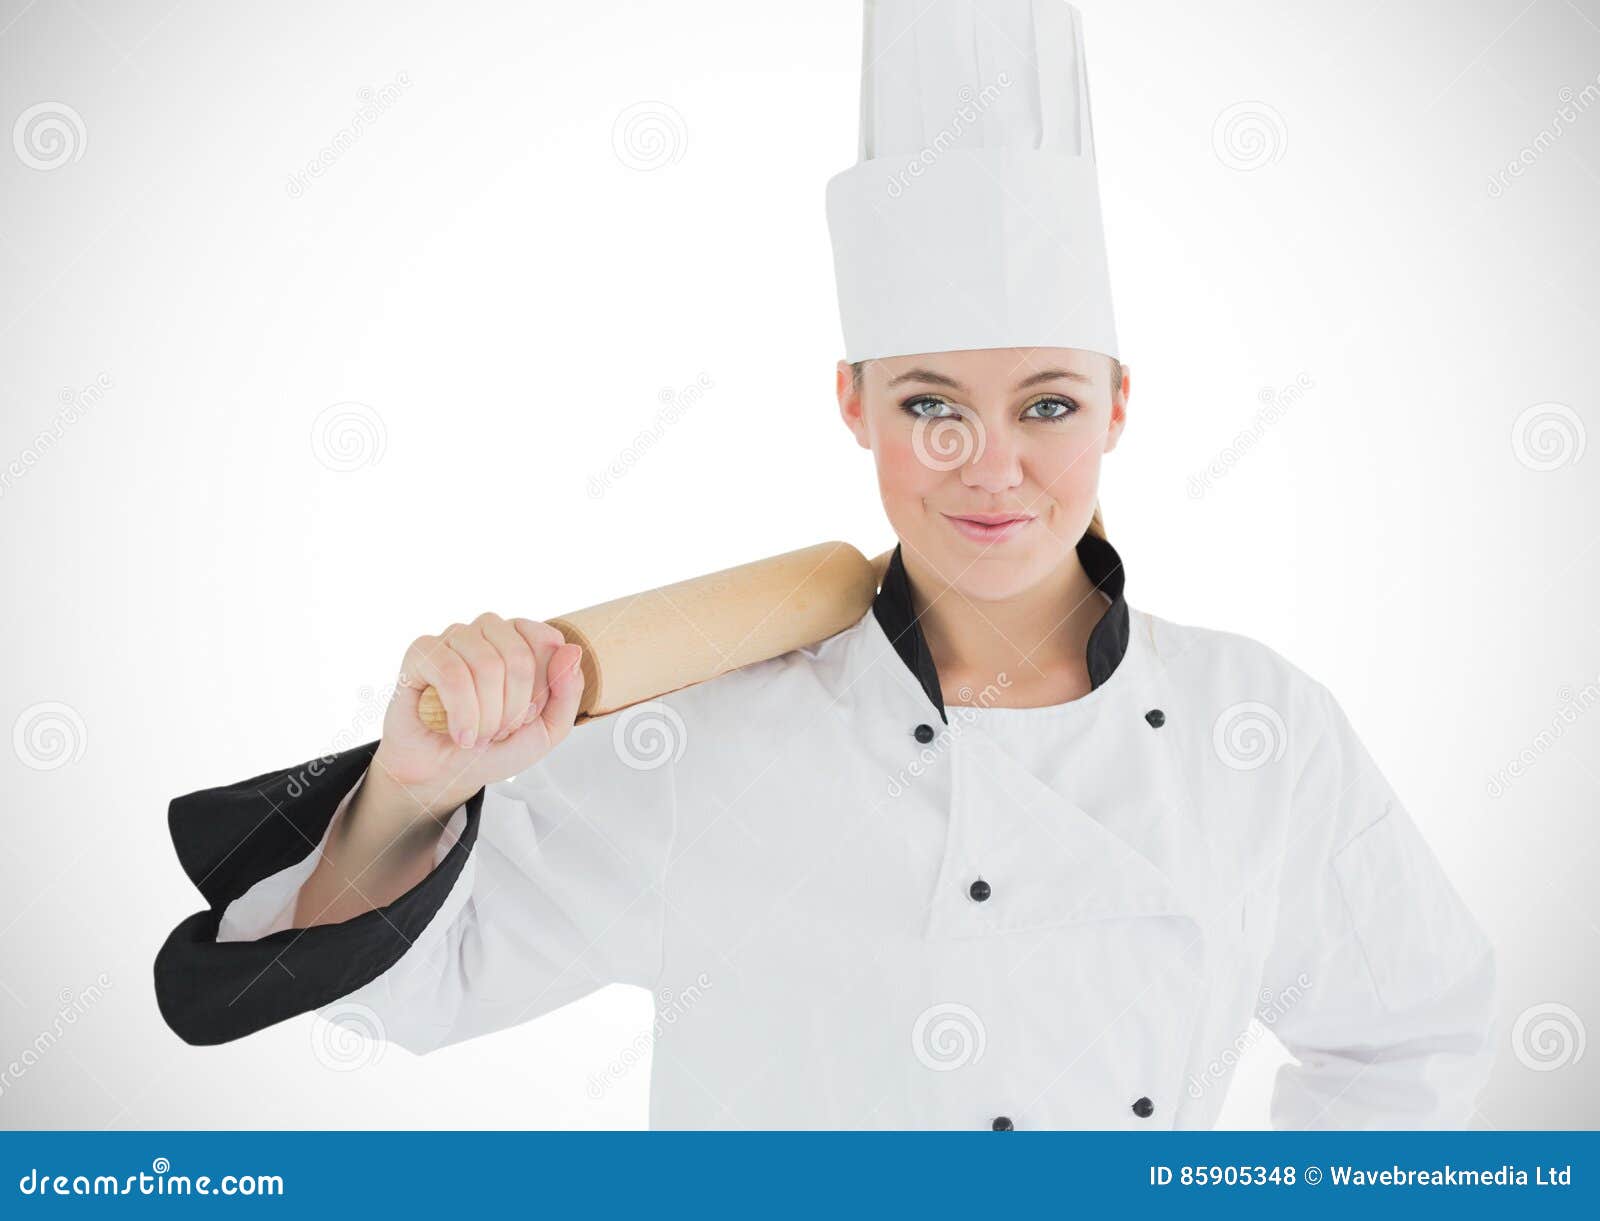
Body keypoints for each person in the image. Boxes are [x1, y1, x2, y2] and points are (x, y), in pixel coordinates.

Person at [154, 0, 1497, 1130]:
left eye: (1047, 404)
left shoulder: (1256, 731)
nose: (992, 465)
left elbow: (1411, 1037)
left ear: (1120, 406)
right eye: (929, 404)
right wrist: (411, 787)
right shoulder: (712, 732)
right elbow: (394, 983)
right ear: (853, 404)